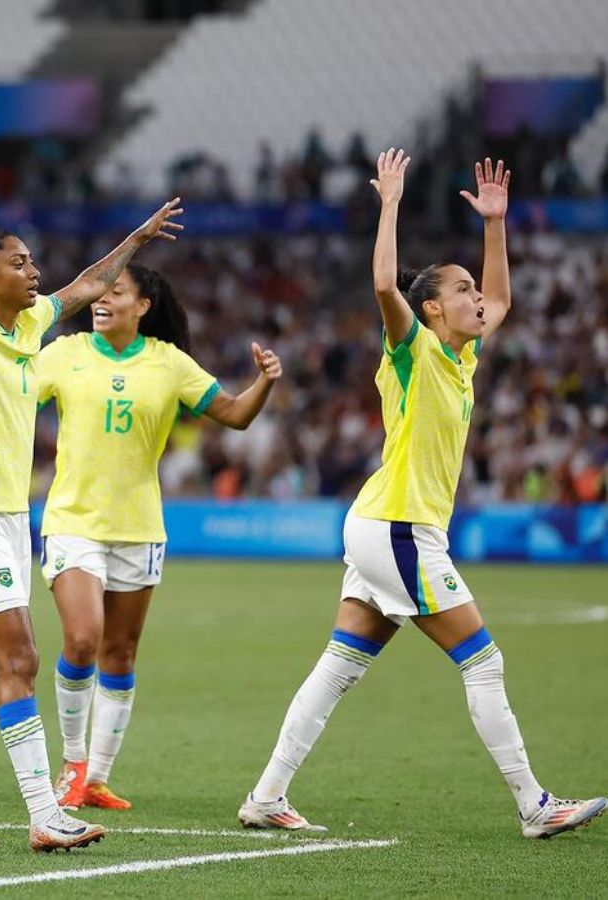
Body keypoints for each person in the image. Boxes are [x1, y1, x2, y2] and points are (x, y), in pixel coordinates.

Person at [237, 152, 605, 838]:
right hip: (400, 528)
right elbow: (384, 280)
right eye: (462, 289)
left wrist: (495, 227)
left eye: (474, 289)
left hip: (385, 524)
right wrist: (391, 203)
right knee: (484, 659)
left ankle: (266, 794)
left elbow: (503, 301)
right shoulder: (412, 348)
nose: (477, 299)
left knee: (341, 664)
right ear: (431, 306)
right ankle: (534, 804)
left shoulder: (459, 356)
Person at [0, 260, 283, 813]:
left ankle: (95, 777)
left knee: (121, 652)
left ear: (143, 306)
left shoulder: (170, 363)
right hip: (71, 521)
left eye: (117, 293)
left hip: (140, 526)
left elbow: (235, 414)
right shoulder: (63, 354)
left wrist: (264, 381)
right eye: (102, 291)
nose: (102, 300)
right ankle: (71, 764)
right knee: (83, 638)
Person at [0, 198, 183, 851]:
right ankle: (46, 814)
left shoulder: (32, 325)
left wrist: (135, 237)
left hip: (3, 516)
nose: (35, 270)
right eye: (20, 263)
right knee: (21, 655)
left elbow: (86, 284)